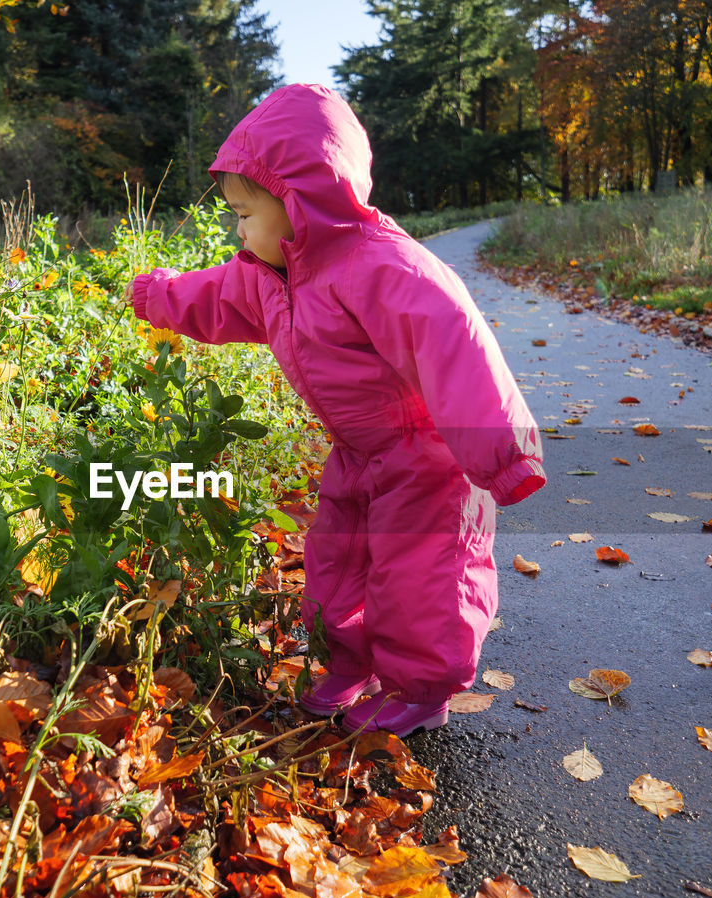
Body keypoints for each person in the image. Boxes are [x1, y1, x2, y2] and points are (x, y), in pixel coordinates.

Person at [128, 84, 546, 737]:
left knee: (421, 576)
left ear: (297, 200)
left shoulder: (381, 266)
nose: (236, 229)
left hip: (427, 459)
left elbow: (458, 349)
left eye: (244, 212)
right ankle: (353, 661)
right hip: (357, 454)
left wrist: (504, 452)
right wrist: (155, 295)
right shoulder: (268, 275)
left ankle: (422, 688)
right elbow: (208, 296)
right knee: (336, 563)